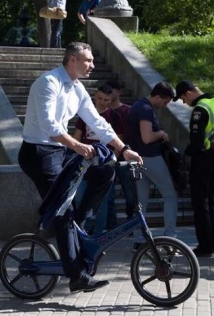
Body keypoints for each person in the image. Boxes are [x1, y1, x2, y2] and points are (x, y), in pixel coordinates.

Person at [17, 42, 142, 293]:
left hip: (61, 151)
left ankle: (80, 223)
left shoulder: (77, 89)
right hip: (39, 153)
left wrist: (123, 149)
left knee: (106, 170)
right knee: (63, 212)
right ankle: (77, 276)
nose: (93, 65)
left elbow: (97, 122)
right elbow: (49, 125)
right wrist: (76, 145)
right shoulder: (48, 83)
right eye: (88, 60)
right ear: (72, 60)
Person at [174, 80, 214, 257]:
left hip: (202, 159)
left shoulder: (199, 110)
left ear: (188, 93)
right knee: (211, 202)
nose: (183, 102)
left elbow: (196, 141)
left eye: (182, 98)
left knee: (200, 203)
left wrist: (186, 153)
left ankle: (205, 246)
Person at [128, 82, 178, 250]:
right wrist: (162, 134)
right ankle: (170, 237)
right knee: (170, 195)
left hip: (137, 159)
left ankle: (139, 239)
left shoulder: (136, 106)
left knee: (141, 201)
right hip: (150, 157)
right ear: (157, 97)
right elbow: (147, 138)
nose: (164, 106)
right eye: (165, 102)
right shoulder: (146, 109)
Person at [72, 84, 123, 234]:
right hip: (85, 163)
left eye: (106, 100)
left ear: (111, 100)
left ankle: (99, 234)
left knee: (103, 202)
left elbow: (119, 141)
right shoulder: (85, 115)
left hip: (104, 165)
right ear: (95, 95)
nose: (101, 102)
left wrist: (112, 162)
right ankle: (82, 231)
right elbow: (77, 136)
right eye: (99, 98)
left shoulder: (114, 116)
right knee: (80, 198)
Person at [105, 80, 137, 220]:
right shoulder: (102, 112)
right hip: (107, 157)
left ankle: (130, 221)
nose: (110, 94)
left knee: (130, 195)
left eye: (113, 90)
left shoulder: (127, 110)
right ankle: (111, 224)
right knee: (108, 196)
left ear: (119, 92)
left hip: (125, 158)